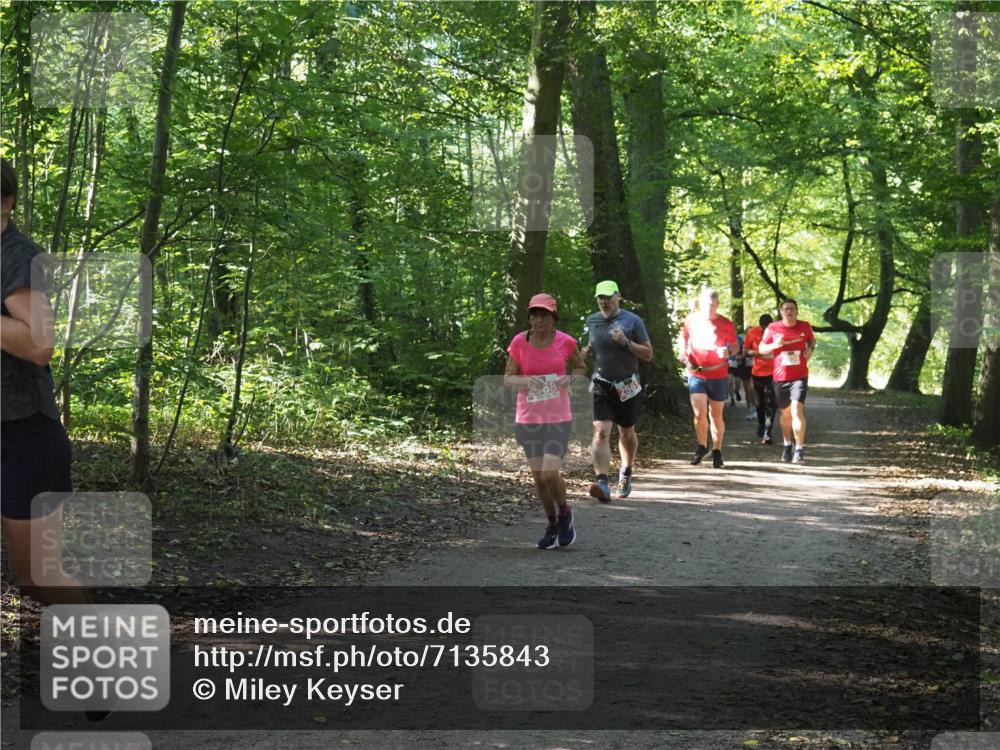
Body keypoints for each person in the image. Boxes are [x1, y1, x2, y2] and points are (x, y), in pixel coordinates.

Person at [1, 157, 87, 604]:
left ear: (7, 201)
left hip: (23, 434)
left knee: (41, 577)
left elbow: (38, 343)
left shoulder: (17, 256)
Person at [505, 293, 586, 549]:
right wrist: (526, 381)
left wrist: (570, 379)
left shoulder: (566, 342)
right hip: (528, 417)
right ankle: (552, 523)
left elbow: (581, 368)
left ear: (554, 319)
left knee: (550, 473)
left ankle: (565, 514)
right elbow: (508, 378)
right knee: (539, 478)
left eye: (545, 315)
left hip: (558, 416)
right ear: (529, 318)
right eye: (535, 315)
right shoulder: (519, 342)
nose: (539, 320)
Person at [580, 280, 652, 502]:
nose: (603, 301)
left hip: (627, 384)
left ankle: (626, 471)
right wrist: (585, 354)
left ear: (618, 296)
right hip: (601, 382)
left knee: (626, 432)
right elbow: (592, 348)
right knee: (601, 431)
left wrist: (626, 343)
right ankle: (602, 482)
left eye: (608, 297)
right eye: (600, 297)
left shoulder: (632, 321)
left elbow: (648, 354)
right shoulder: (591, 321)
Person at [679, 288, 738, 469]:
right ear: (700, 303)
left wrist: (728, 352)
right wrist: (682, 353)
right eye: (706, 304)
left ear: (717, 304)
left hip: (718, 373)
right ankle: (702, 446)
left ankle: (717, 450)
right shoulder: (691, 321)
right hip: (697, 372)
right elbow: (683, 338)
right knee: (699, 413)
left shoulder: (726, 324)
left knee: (716, 414)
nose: (709, 308)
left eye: (712, 305)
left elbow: (735, 347)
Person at [758, 299, 816, 464]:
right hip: (780, 377)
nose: (789, 311)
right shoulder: (772, 328)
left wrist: (811, 349)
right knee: (785, 414)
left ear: (797, 311)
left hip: (800, 375)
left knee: (797, 410)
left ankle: (799, 450)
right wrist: (773, 345)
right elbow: (761, 349)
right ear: (781, 312)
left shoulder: (804, 326)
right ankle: (787, 445)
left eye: (792, 309)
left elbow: (812, 340)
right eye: (786, 309)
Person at [744, 313, 777, 444]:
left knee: (771, 403)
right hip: (757, 372)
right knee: (759, 403)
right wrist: (756, 353)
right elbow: (745, 350)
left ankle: (768, 432)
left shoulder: (778, 332)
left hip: (774, 373)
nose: (765, 331)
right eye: (763, 329)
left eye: (767, 328)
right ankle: (761, 423)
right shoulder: (753, 332)